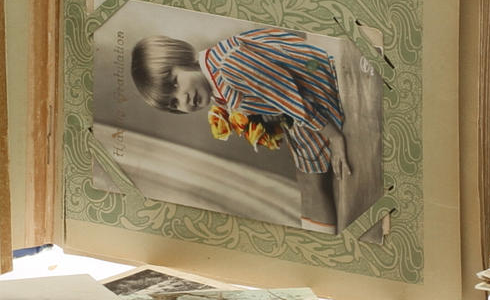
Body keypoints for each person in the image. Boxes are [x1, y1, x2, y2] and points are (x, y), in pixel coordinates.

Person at [130, 26, 350, 232]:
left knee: (312, 178)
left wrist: (334, 137)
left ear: (181, 59)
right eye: (174, 103)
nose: (183, 98)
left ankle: (321, 242)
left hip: (317, 82)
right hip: (302, 94)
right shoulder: (216, 83)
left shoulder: (228, 65)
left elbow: (289, 97)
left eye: (175, 82)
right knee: (304, 175)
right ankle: (313, 236)